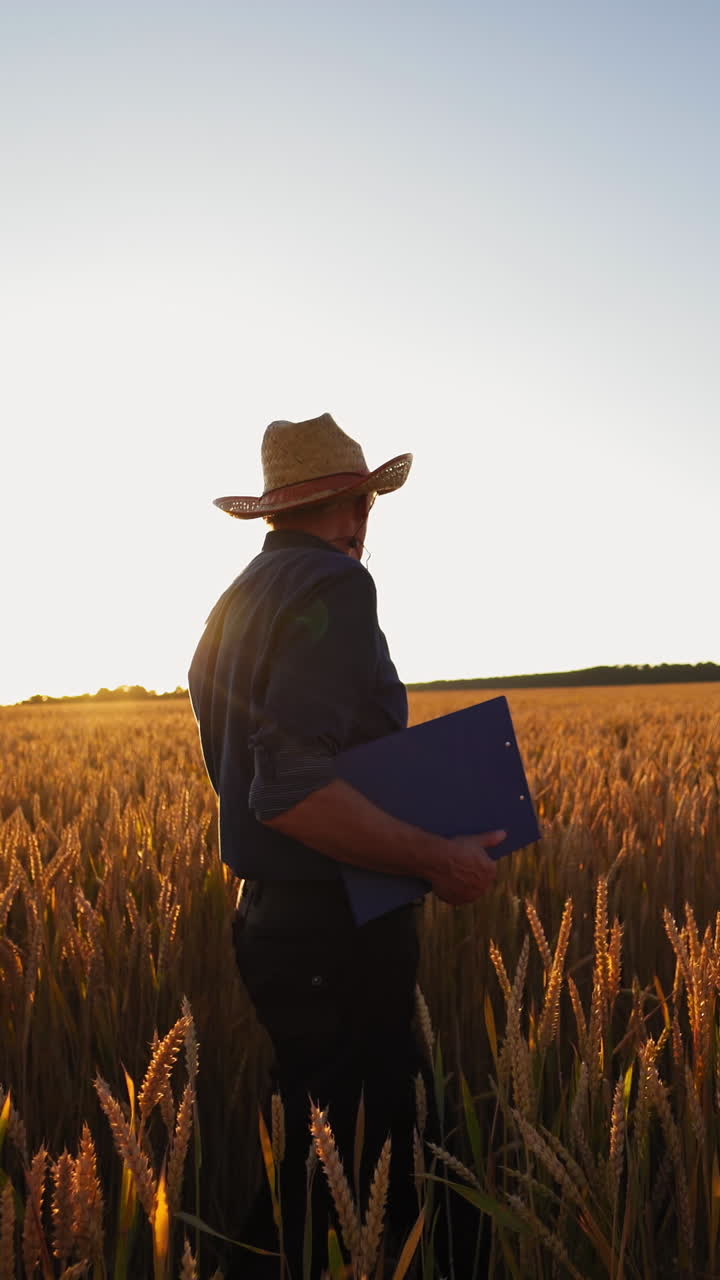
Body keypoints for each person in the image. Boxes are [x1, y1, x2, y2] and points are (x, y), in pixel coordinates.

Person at [188, 413, 503, 1277]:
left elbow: (266, 768)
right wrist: (436, 858)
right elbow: (288, 787)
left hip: (273, 926)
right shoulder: (335, 586)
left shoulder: (234, 603)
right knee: (366, 1159)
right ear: (341, 506)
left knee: (319, 1142)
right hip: (338, 923)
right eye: (358, 500)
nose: (364, 519)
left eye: (367, 499)